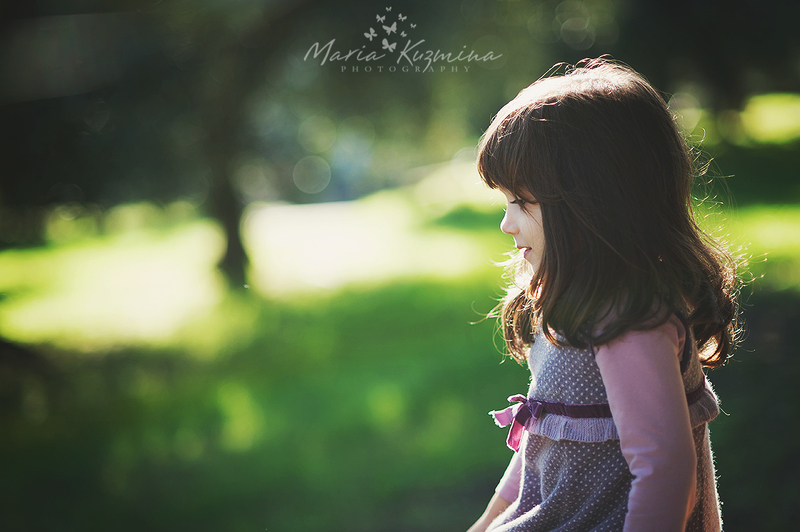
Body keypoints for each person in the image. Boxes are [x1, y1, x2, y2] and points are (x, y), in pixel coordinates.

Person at [466, 58, 740, 532]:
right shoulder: (573, 302)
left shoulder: (627, 323)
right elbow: (542, 442)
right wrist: (487, 522)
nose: (506, 224)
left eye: (522, 202)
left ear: (590, 204)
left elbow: (665, 475)